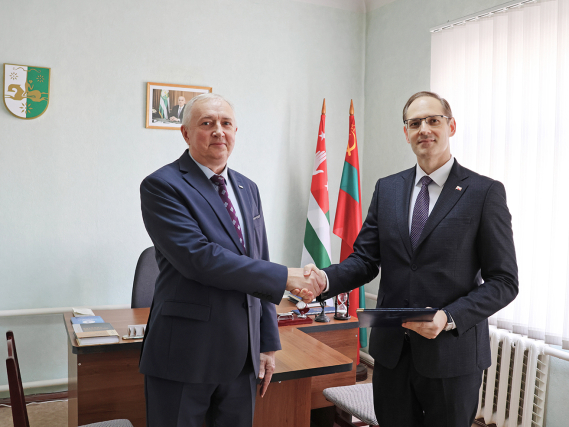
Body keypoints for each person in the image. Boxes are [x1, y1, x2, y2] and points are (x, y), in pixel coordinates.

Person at [308, 91, 518, 427]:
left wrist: (448, 317)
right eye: (415, 123)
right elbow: (365, 259)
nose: (424, 129)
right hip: (392, 356)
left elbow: (504, 282)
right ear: (405, 132)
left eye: (433, 120)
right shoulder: (388, 189)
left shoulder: (484, 193)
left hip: (452, 357)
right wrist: (325, 279)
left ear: (451, 126)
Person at [139, 93, 324, 427]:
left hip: (243, 357)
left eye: (226, 123)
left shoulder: (247, 188)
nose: (218, 131)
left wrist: (267, 343)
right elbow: (200, 258)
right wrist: (287, 276)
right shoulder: (162, 186)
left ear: (235, 131)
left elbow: (259, 259)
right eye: (207, 123)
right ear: (185, 133)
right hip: (186, 353)